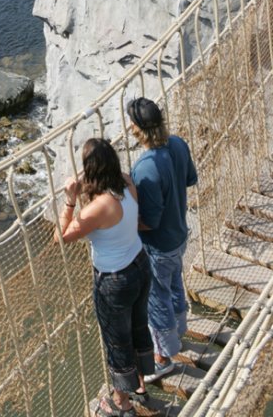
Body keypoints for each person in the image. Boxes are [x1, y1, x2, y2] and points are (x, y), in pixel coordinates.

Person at [58, 138, 154, 417]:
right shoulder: (126, 182)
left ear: (90, 170)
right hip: (140, 264)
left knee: (117, 340)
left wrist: (70, 200)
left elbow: (61, 237)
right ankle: (140, 385)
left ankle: (120, 403)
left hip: (114, 281)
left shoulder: (97, 208)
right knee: (138, 326)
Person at [127, 97, 198, 383]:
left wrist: (121, 226)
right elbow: (190, 179)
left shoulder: (145, 168)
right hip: (179, 234)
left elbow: (149, 221)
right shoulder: (178, 143)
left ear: (135, 128)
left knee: (156, 300)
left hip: (158, 246)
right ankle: (179, 331)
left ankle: (163, 357)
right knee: (175, 285)